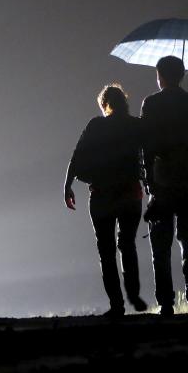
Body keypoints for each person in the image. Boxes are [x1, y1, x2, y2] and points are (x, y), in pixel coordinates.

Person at [64, 83, 148, 317]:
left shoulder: (96, 125)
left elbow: (77, 155)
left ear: (104, 104)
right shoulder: (136, 125)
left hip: (101, 195)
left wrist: (67, 186)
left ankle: (117, 304)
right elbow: (150, 155)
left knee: (106, 251)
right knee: (127, 244)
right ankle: (133, 292)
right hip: (131, 193)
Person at [140, 55, 188, 316]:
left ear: (160, 76)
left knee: (160, 241)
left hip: (161, 179)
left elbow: (145, 144)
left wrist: (148, 178)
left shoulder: (151, 103)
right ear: (182, 75)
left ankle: (166, 301)